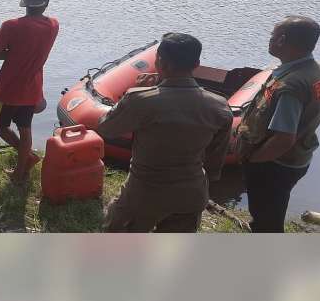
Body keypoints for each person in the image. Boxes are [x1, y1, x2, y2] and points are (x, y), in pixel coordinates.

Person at [95, 32, 233, 232]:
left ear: (160, 62)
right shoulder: (219, 106)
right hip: (192, 194)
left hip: (144, 193)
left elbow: (106, 127)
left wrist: (133, 92)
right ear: (197, 64)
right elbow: (215, 160)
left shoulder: (141, 100)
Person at [236, 16, 320, 233]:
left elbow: (283, 138)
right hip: (299, 156)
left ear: (281, 40)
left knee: (266, 220)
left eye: (272, 36)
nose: (269, 40)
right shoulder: (318, 72)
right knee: (272, 211)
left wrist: (253, 160)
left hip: (274, 165)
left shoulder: (291, 87)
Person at [0, 0, 59, 184]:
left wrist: (10, 50)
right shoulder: (53, 25)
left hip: (9, 87)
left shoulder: (11, 25)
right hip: (33, 86)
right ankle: (21, 171)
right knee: (25, 127)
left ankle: (27, 157)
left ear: (25, 4)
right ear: (45, 4)